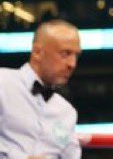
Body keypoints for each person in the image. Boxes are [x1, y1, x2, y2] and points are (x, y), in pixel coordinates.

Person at [0, 20, 82, 159]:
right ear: (38, 52)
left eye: (76, 55)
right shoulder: (3, 83)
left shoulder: (67, 112)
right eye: (65, 53)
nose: (72, 64)